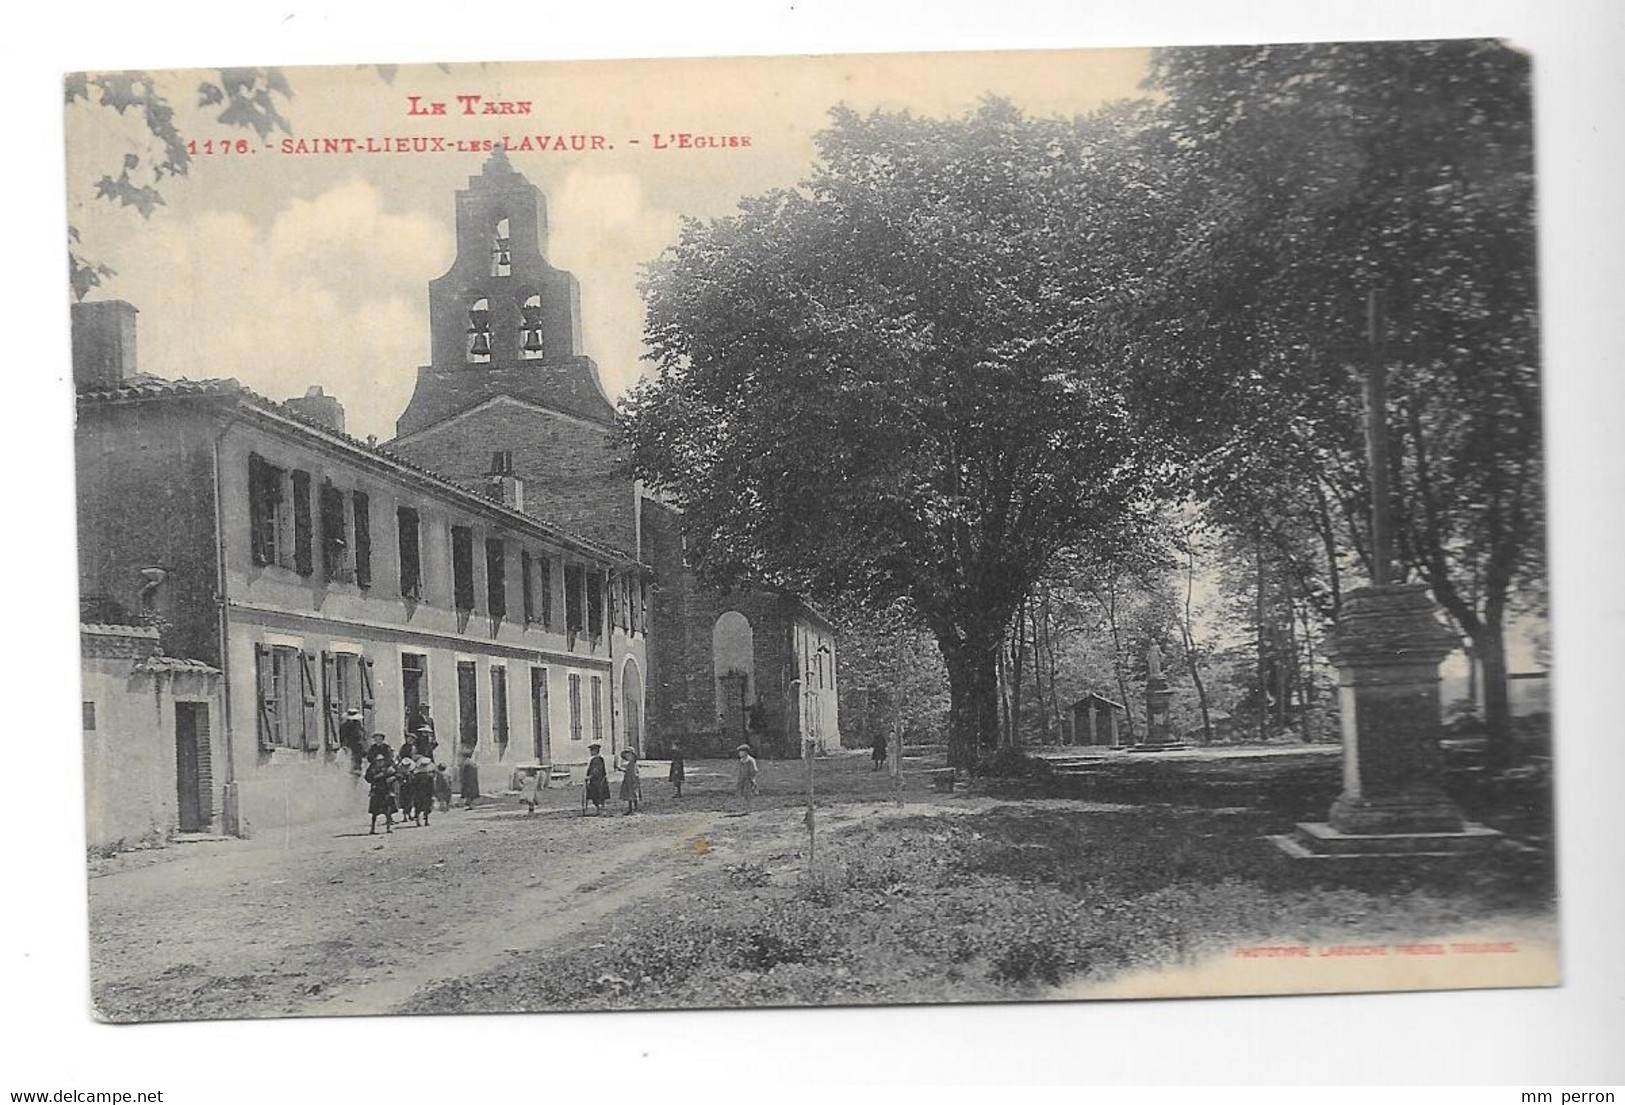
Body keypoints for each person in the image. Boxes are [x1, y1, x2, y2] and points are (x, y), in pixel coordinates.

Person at [363, 750, 397, 835]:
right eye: (378, 761)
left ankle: (388, 827)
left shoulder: (388, 768)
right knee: (374, 812)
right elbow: (367, 777)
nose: (380, 762)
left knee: (388, 810)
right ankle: (373, 828)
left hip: (387, 790)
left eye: (381, 760)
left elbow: (396, 775)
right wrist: (374, 777)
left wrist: (392, 778)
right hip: (376, 790)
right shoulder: (372, 769)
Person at [584, 743, 610, 815]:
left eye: (592, 750)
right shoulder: (595, 759)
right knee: (595, 795)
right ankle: (599, 809)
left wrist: (590, 776)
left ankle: (601, 809)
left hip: (598, 780)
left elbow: (596, 770)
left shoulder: (598, 759)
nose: (591, 752)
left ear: (596, 751)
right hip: (595, 780)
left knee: (599, 795)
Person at [339, 708, 367, 772]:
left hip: (358, 746)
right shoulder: (345, 726)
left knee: (357, 761)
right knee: (349, 761)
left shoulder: (358, 725)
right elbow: (343, 736)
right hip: (350, 745)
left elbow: (362, 736)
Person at [735, 743, 759, 811]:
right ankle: (746, 807)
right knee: (743, 793)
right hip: (742, 779)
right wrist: (739, 780)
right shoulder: (741, 761)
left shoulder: (750, 760)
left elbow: (755, 770)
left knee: (749, 794)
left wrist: (751, 778)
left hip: (749, 780)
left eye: (741, 752)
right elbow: (740, 771)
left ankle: (750, 808)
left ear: (745, 752)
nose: (739, 754)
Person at [619, 749, 642, 814]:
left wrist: (635, 781)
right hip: (628, 781)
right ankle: (630, 809)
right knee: (629, 795)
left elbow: (635, 773)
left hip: (632, 781)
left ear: (633, 756)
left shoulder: (634, 764)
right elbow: (628, 771)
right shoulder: (629, 764)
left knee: (633, 795)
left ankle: (635, 808)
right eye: (627, 756)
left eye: (629, 755)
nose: (628, 757)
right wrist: (621, 770)